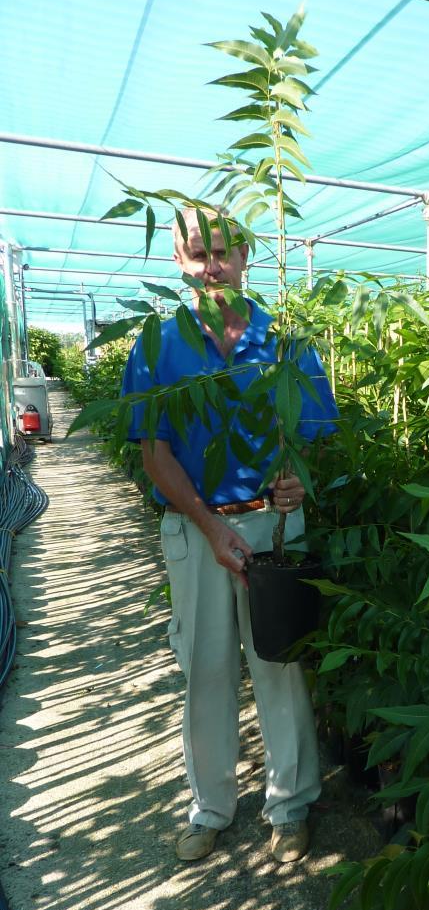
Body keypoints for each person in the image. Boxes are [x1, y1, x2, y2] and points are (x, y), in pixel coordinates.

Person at [121, 207, 338, 864]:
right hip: (196, 527)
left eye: (223, 252)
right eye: (197, 254)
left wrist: (298, 478)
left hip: (272, 522)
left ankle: (291, 803)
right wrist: (211, 525)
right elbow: (154, 451)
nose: (212, 266)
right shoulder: (157, 345)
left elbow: (313, 437)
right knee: (206, 669)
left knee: (279, 664)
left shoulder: (285, 342)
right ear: (179, 263)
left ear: (246, 255)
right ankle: (210, 807)